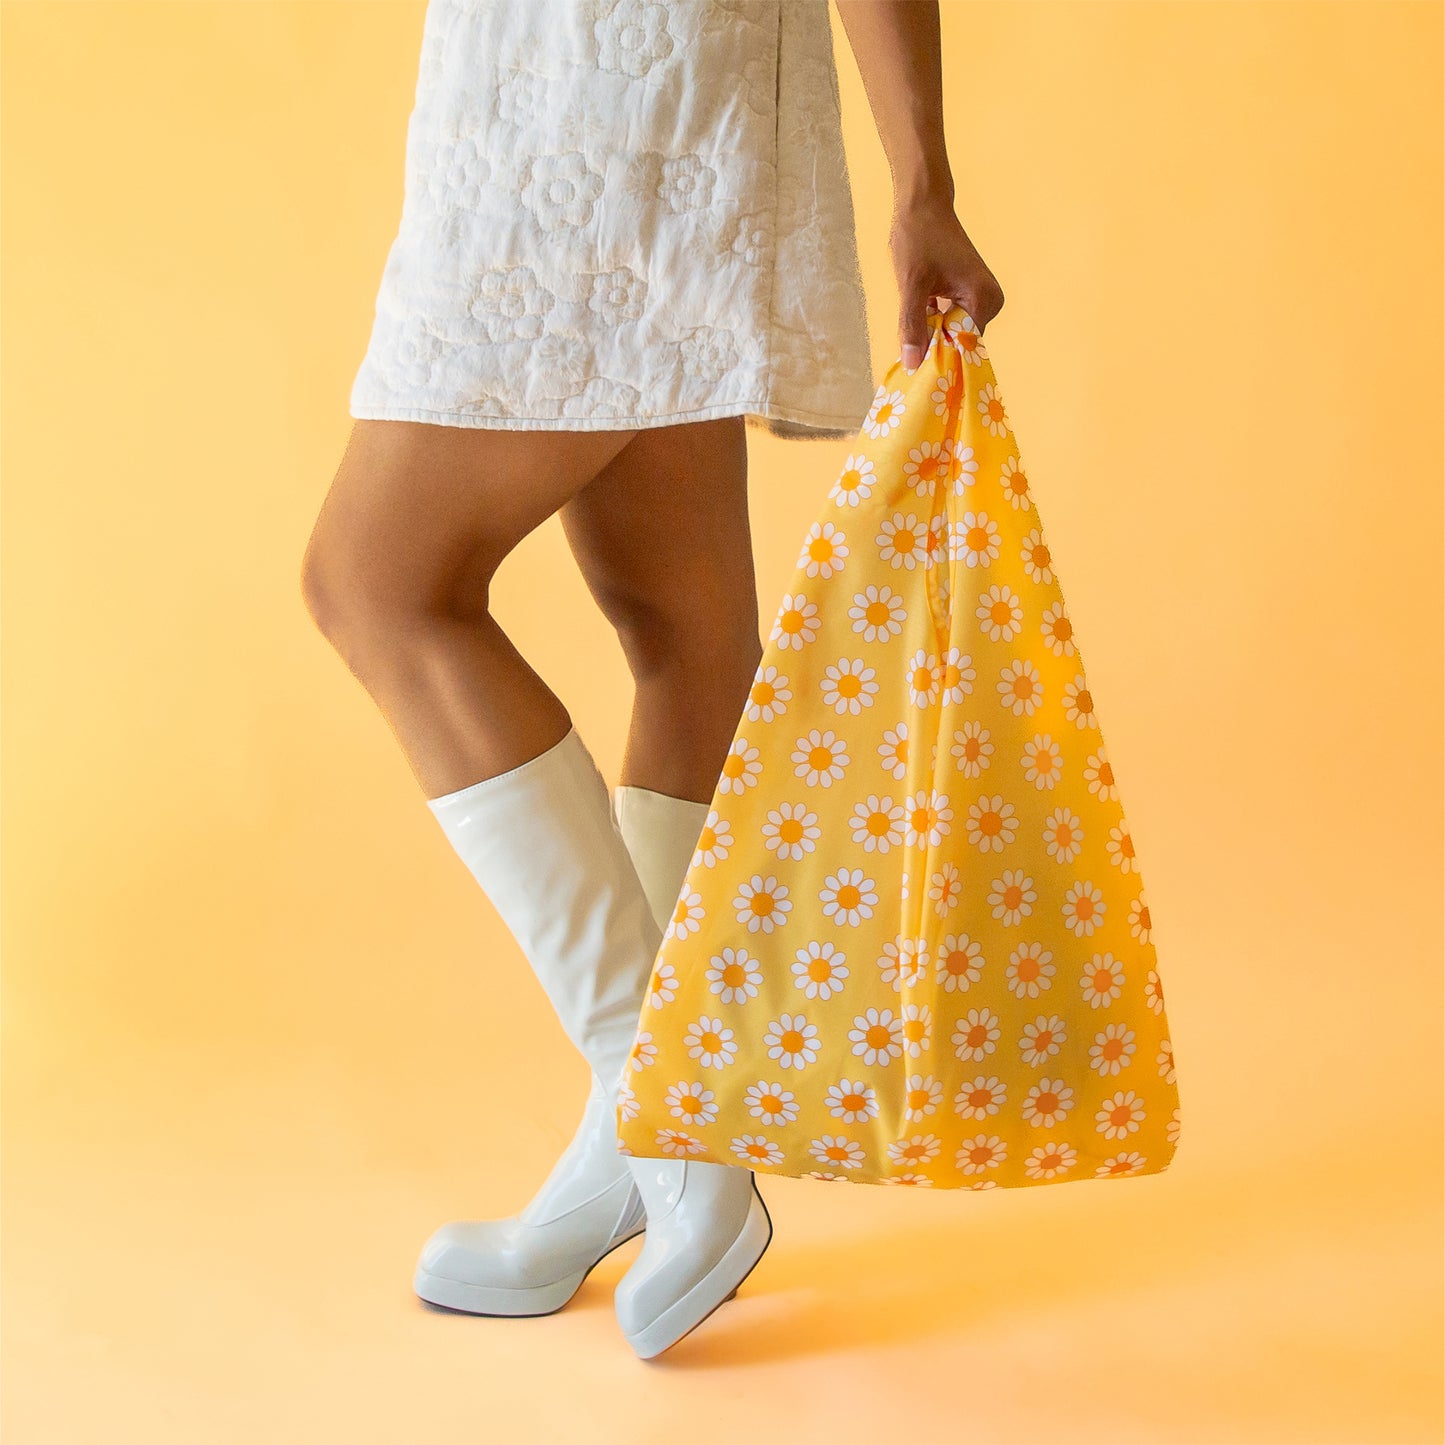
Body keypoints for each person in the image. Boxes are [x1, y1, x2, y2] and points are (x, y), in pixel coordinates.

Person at [301, 0, 1003, 1360]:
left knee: (375, 585)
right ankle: (637, 1148)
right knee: (679, 627)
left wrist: (926, 185)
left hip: (593, 97)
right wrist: (917, 180)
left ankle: (664, 1103)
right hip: (637, 95)